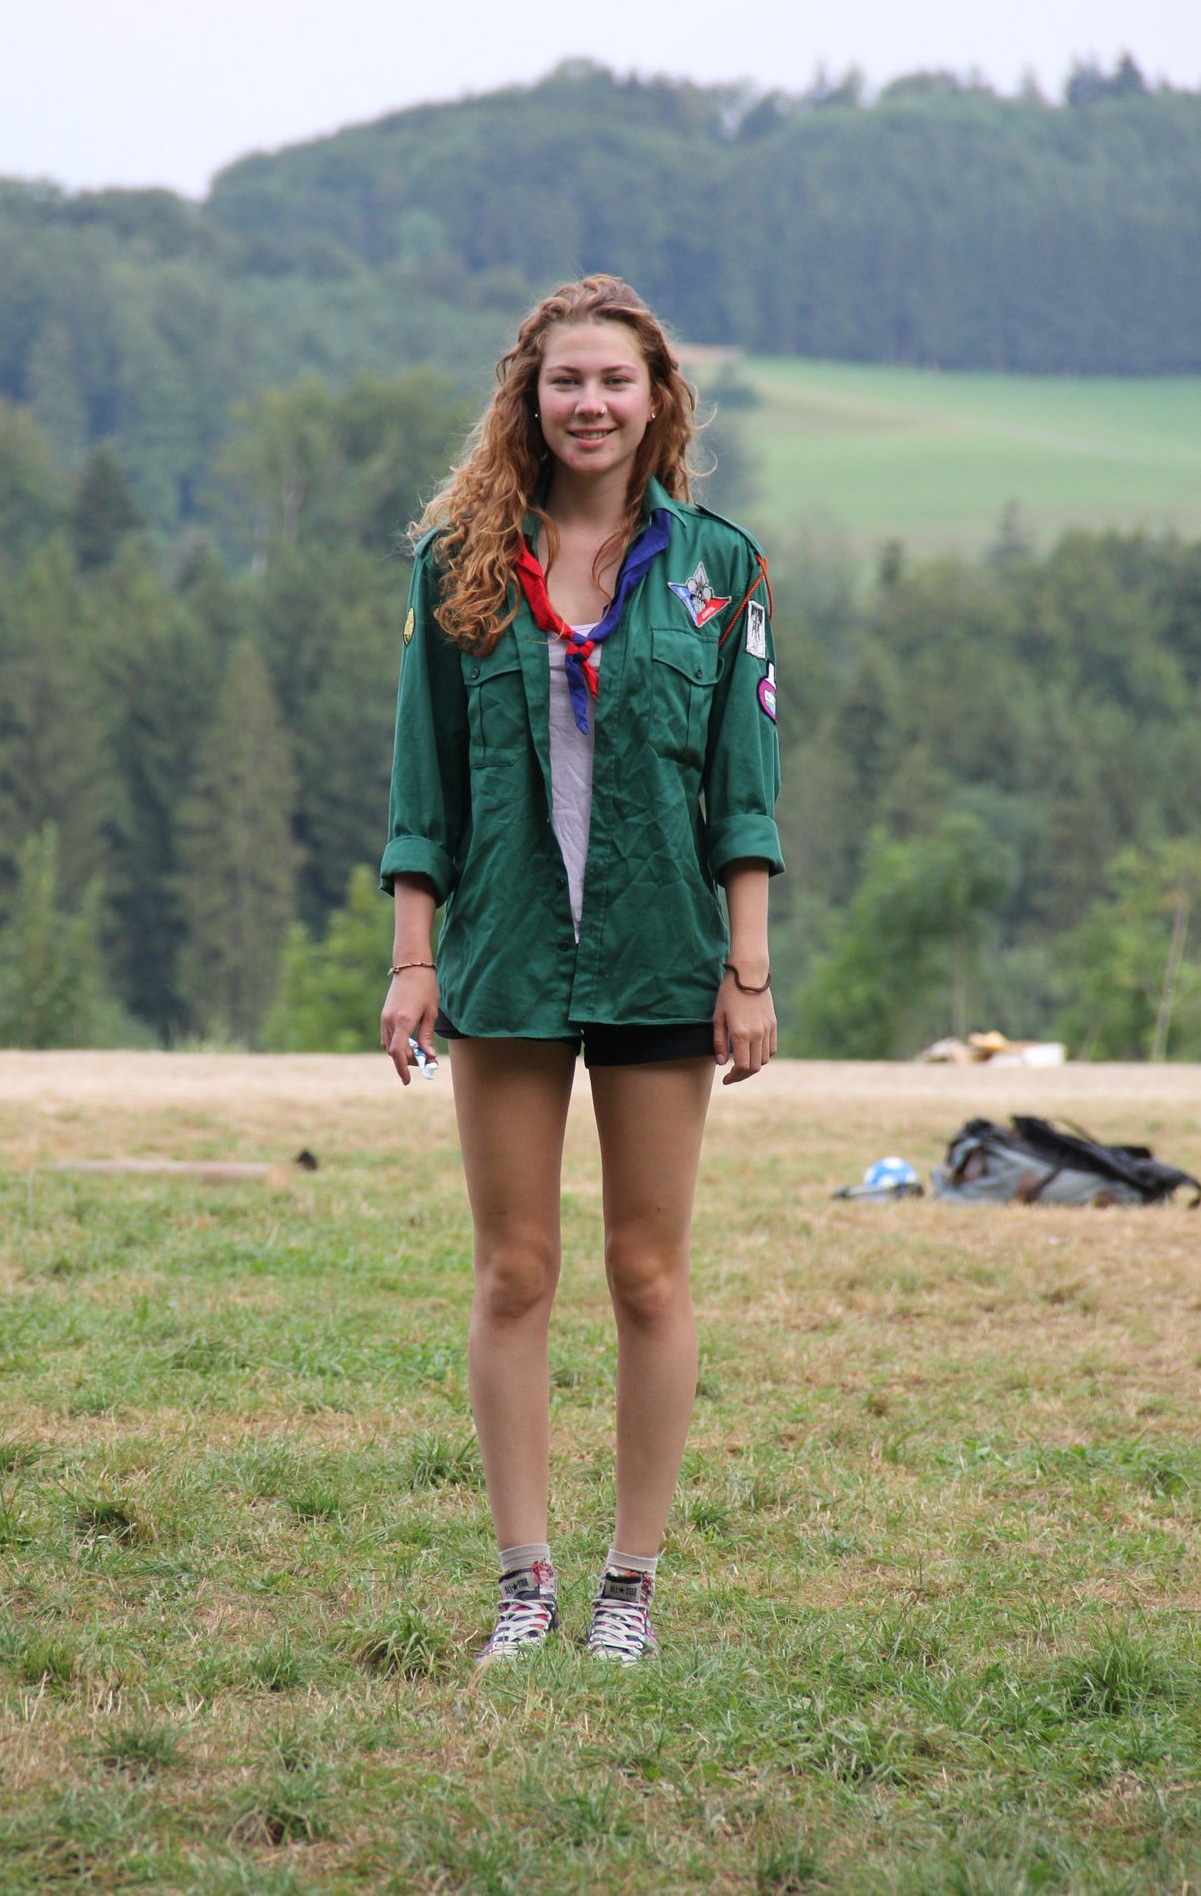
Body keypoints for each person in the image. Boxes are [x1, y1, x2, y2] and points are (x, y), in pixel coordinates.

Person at [379, 275, 782, 1664]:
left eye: (615, 380)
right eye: (567, 381)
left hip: (662, 953)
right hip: (503, 955)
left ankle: (629, 1588)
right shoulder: (457, 565)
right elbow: (422, 780)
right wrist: (413, 957)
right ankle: (523, 1584)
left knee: (647, 1275)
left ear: (658, 398)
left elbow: (744, 782)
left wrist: (747, 968)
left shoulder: (719, 569)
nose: (590, 404)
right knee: (513, 1272)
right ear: (530, 397)